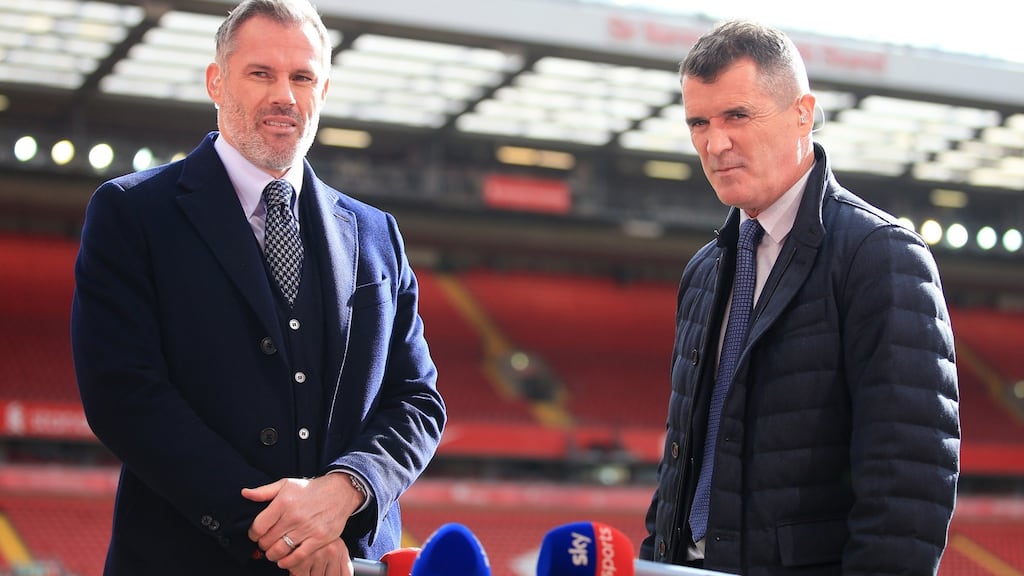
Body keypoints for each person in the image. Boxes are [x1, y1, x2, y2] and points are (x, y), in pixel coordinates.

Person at [70, 1, 445, 574]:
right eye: (261, 73)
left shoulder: (376, 233)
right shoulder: (133, 212)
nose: (284, 96)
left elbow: (417, 399)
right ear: (216, 82)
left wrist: (347, 489)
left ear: (324, 90)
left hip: (347, 560)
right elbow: (123, 393)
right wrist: (282, 528)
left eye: (303, 77)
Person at [640, 20, 960, 575]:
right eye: (699, 122)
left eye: (737, 116)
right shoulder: (703, 271)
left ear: (803, 114)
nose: (715, 144)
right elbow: (681, 465)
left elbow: (909, 482)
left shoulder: (881, 255)